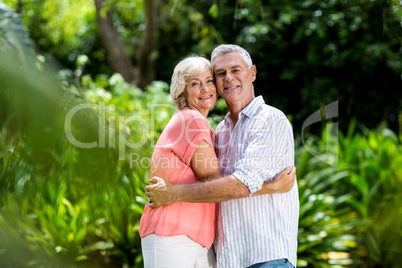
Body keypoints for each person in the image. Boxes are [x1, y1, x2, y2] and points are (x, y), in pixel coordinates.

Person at [145, 45, 299, 268]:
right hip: (228, 257)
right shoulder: (219, 129)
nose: (228, 79)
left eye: (236, 70)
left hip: (266, 256)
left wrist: (172, 193)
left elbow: (238, 185)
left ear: (253, 73)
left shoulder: (269, 120)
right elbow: (223, 186)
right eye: (220, 74)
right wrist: (270, 186)